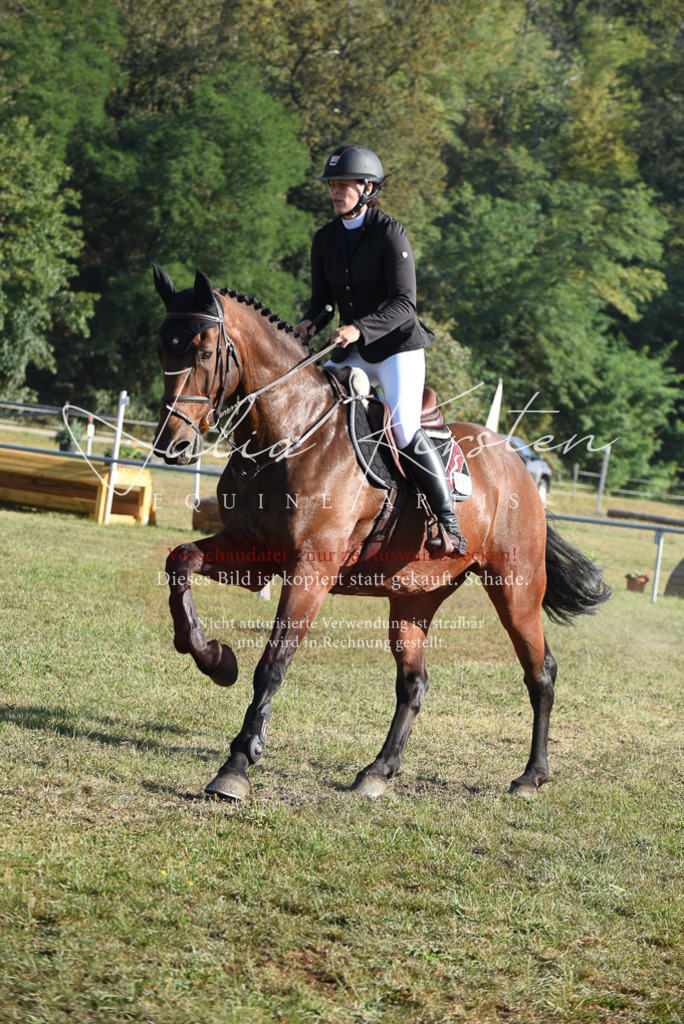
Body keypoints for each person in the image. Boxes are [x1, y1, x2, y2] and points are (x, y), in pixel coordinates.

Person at [296, 143, 467, 556]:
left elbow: (404, 303)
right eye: (332, 184)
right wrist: (309, 323)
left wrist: (358, 328)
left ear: (368, 188)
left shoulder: (390, 232)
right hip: (353, 348)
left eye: (344, 184)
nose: (335, 191)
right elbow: (323, 302)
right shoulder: (325, 239)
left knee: (404, 428)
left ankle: (449, 524)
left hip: (396, 349)